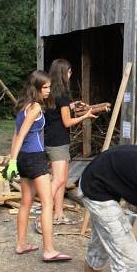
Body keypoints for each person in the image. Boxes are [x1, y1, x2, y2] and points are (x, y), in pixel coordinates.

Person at [6, 70, 72, 262]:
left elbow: (15, 135)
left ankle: (21, 244)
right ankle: (49, 250)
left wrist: (14, 160)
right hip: (34, 158)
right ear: (36, 88)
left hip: (25, 159)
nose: (48, 91)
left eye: (49, 87)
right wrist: (11, 161)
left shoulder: (22, 107)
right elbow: (22, 134)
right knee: (47, 203)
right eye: (45, 87)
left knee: (26, 200)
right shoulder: (34, 108)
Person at [41, 59, 97, 228]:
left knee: (62, 178)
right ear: (63, 73)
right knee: (58, 179)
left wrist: (73, 105)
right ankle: (43, 214)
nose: (71, 74)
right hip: (58, 141)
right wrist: (85, 116)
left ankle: (58, 214)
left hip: (52, 139)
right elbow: (67, 122)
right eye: (70, 71)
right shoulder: (63, 95)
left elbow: (57, 112)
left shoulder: (51, 92)